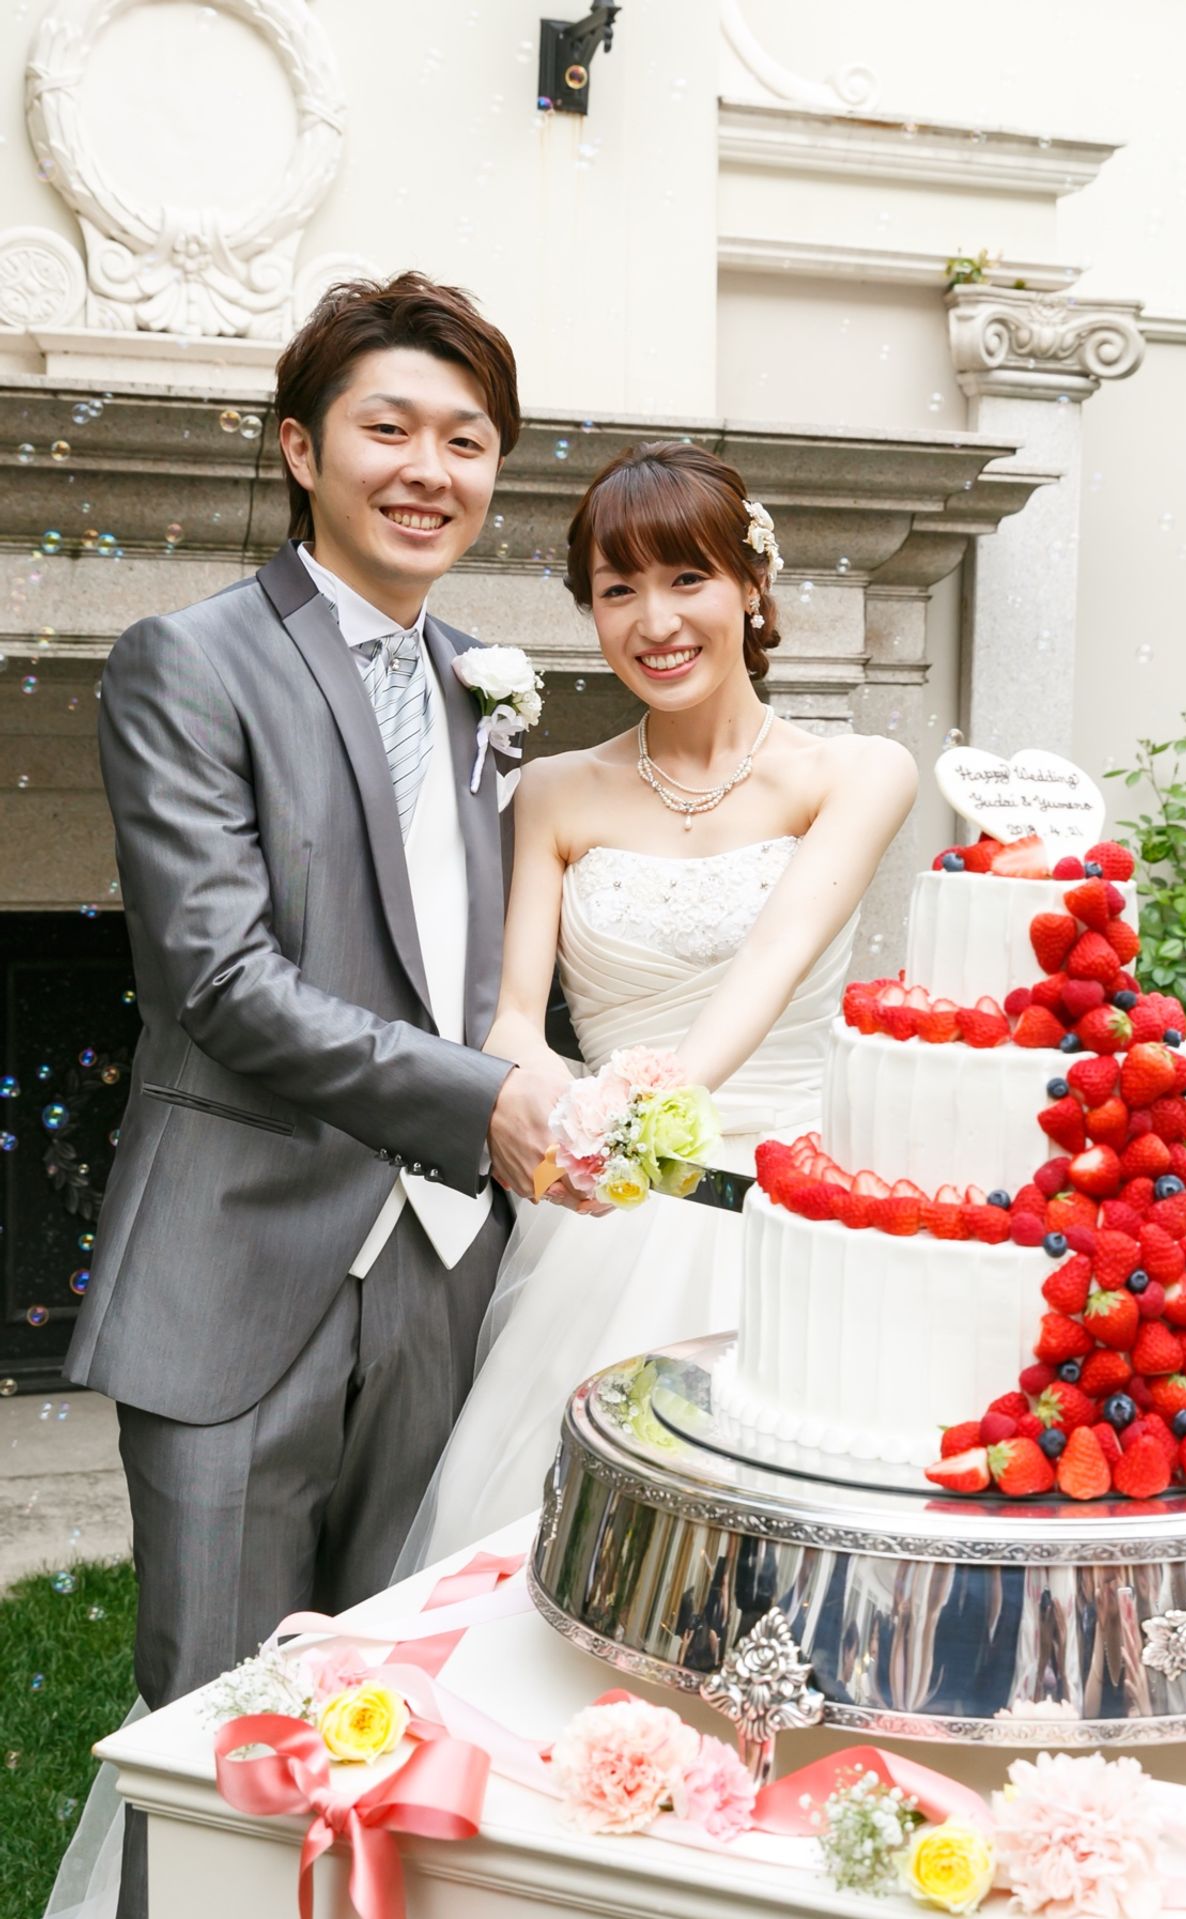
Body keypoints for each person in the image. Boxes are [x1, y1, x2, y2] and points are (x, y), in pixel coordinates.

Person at [53, 272, 578, 1919]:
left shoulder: (487, 682)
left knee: (401, 1718)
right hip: (239, 1261)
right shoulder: (188, 661)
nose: (431, 468)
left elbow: (475, 964)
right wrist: (483, 1095)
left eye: (468, 439)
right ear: (301, 446)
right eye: (389, 428)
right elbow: (216, 978)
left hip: (447, 1272)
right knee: (221, 1736)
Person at [393, 440, 917, 1573]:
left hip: (796, 1196)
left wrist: (645, 1111)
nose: (654, 620)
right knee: (577, 1543)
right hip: (607, 1213)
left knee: (795, 1523)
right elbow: (513, 1015)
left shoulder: (856, 771)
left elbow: (771, 960)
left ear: (752, 584)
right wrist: (559, 1114)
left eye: (687, 578)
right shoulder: (551, 789)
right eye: (617, 589)